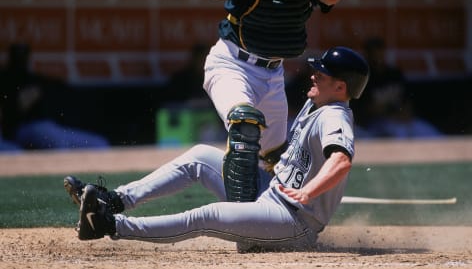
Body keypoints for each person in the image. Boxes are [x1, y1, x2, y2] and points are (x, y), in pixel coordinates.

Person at [63, 46, 369, 252]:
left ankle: (109, 224)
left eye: (322, 74)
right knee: (199, 157)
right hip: (271, 194)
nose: (313, 74)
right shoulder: (317, 103)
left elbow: (341, 160)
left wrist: (308, 192)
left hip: (294, 221)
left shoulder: (334, 115)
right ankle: (115, 200)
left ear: (341, 88)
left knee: (206, 216)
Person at [203, 0, 342, 202]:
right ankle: (241, 218)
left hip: (273, 73)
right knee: (244, 124)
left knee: (276, 159)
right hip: (232, 64)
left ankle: (278, 223)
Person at [0, 43, 109, 150]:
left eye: (23, 55)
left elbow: (56, 86)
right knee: (57, 143)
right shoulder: (6, 79)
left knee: (99, 143)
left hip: (50, 126)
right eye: (18, 55)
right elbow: (12, 113)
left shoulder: (35, 79)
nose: (21, 59)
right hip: (26, 128)